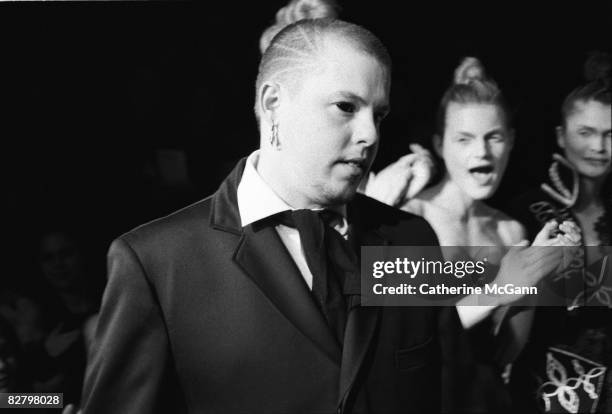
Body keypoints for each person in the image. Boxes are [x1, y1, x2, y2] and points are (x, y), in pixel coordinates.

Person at [79, 17, 458, 414]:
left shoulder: (410, 239)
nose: (370, 134)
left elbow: (456, 393)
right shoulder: (157, 262)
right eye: (346, 107)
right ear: (272, 102)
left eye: (378, 115)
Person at [363, 57, 582, 412]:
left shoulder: (511, 231)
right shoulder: (407, 218)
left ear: (510, 141)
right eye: (464, 139)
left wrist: (538, 269)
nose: (481, 152)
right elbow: (406, 342)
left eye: (493, 137)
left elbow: (506, 351)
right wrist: (503, 285)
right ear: (439, 144)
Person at [505, 52, 611, 414]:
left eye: (610, 134)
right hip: (543, 391)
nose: (599, 147)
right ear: (561, 136)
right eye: (586, 132)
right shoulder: (528, 211)